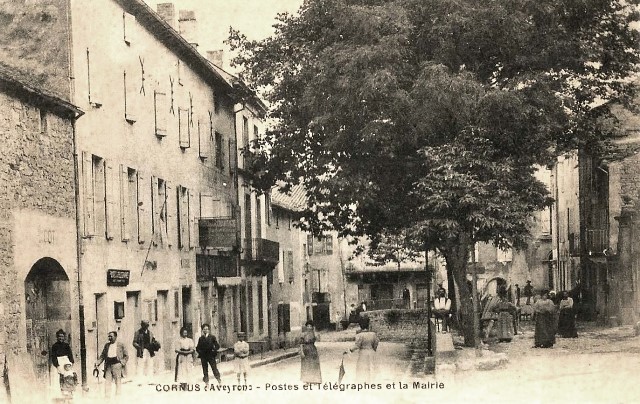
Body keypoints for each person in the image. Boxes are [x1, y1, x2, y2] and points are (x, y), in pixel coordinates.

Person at [344, 316, 379, 382]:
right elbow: (376, 343)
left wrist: (349, 350)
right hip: (371, 352)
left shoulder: (359, 335)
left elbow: (356, 346)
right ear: (368, 325)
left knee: (362, 368)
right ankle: (371, 382)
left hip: (363, 353)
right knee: (372, 368)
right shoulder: (373, 334)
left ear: (360, 326)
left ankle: (362, 382)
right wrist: (373, 350)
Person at [95, 331, 128, 398]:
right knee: (107, 381)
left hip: (117, 365)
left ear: (115, 337)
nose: (109, 338)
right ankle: (107, 397)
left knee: (118, 381)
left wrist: (121, 363)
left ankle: (118, 397)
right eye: (109, 336)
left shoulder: (121, 345)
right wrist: (98, 362)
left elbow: (126, 356)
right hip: (108, 365)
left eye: (111, 336)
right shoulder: (107, 345)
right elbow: (103, 355)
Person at [299, 320, 322, 385]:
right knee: (306, 366)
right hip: (305, 350)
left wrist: (315, 331)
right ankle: (307, 381)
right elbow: (301, 343)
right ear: (306, 327)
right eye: (308, 326)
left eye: (310, 326)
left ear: (312, 327)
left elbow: (318, 339)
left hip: (312, 349)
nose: (309, 327)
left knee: (314, 365)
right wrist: (302, 352)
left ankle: (315, 380)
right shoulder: (303, 334)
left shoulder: (314, 333)